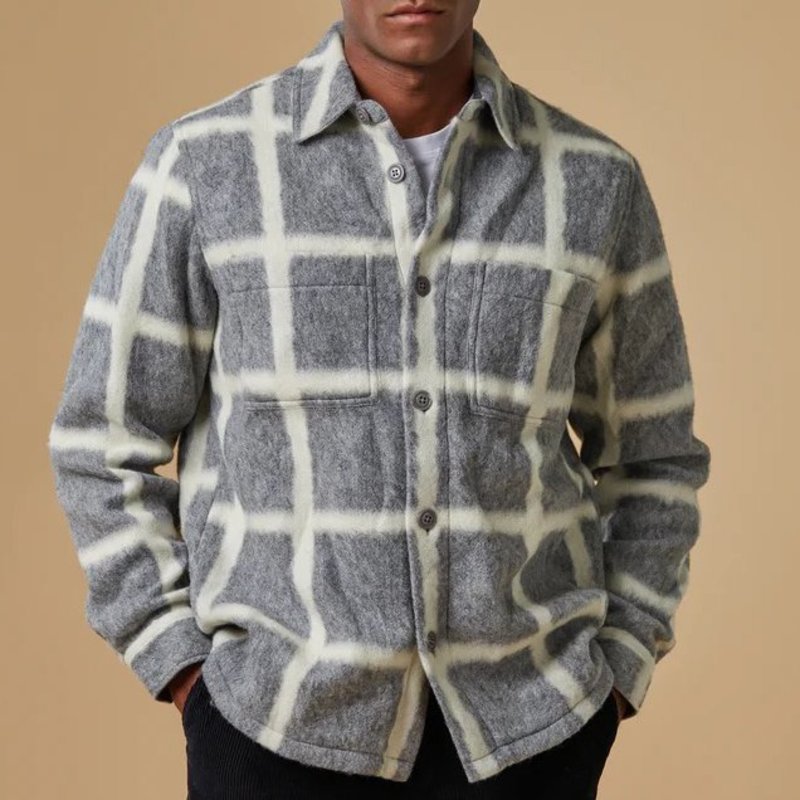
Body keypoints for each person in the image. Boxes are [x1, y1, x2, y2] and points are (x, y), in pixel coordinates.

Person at [47, 1, 711, 798]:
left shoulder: (596, 183)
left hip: (530, 738)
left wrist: (620, 665)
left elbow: (654, 457)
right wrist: (182, 669)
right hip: (271, 729)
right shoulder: (204, 164)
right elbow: (98, 442)